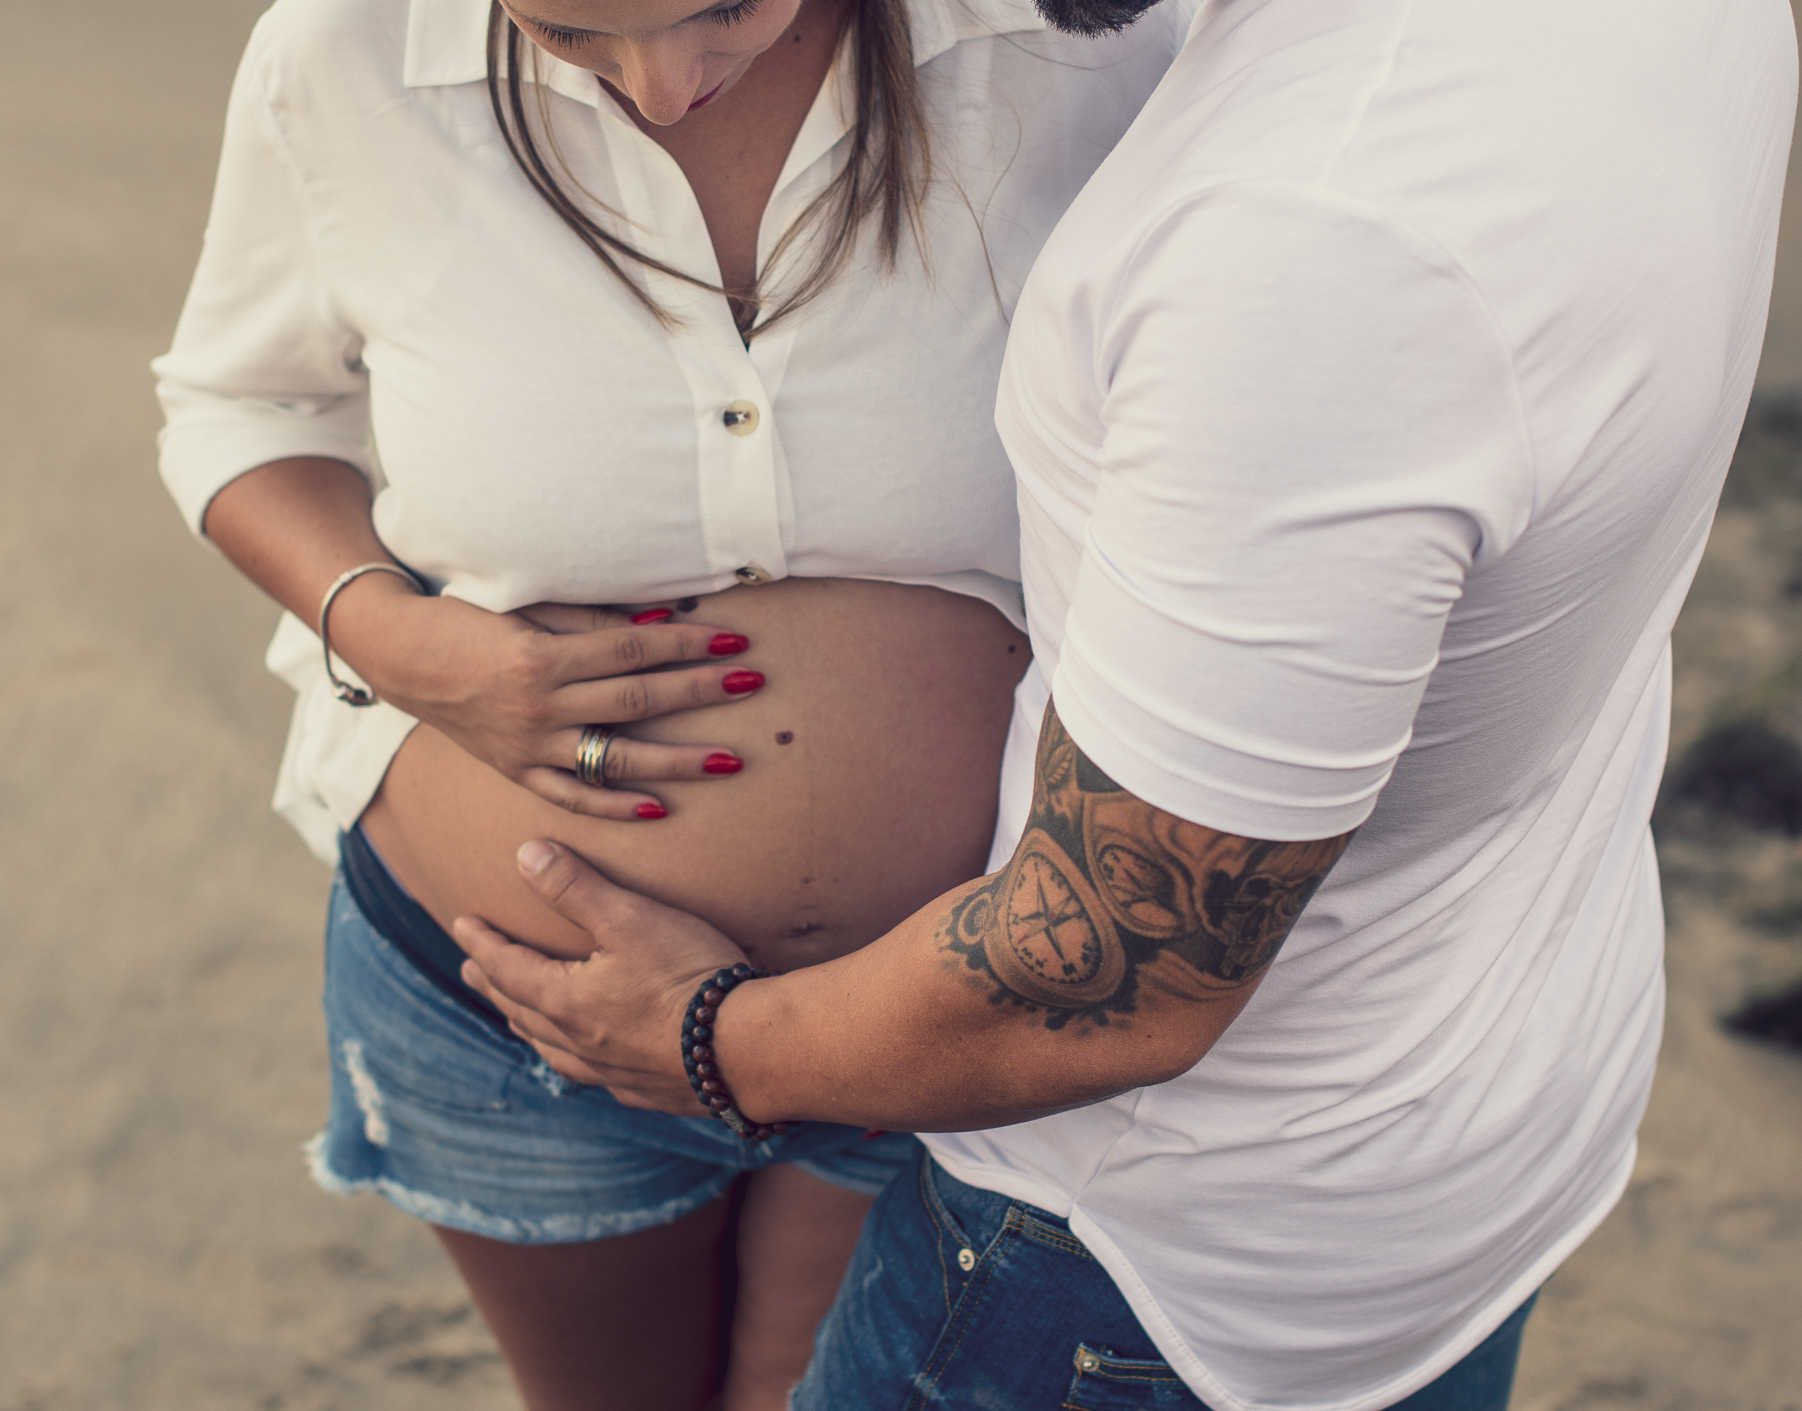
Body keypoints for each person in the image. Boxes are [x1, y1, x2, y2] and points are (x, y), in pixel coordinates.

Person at [450, 0, 1800, 1407]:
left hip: (1132, 1258)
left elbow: (1116, 968)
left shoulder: (1314, 249)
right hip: (1471, 1092)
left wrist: (710, 1041)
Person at [151, 0, 1187, 1404]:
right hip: (516, 1020)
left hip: (929, 1015)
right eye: (572, 29)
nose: (659, 88)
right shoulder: (348, 53)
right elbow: (243, 405)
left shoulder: (1090, 41)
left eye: (723, 10)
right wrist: (393, 637)